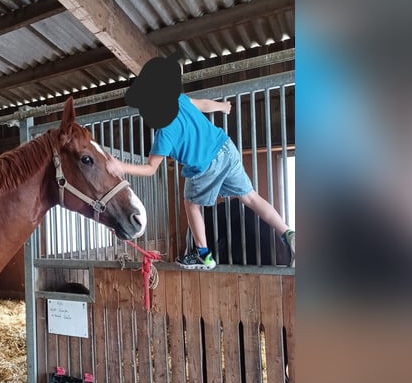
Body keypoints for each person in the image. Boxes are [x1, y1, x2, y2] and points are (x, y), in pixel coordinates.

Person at [106, 52, 295, 269]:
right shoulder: (179, 100)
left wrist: (121, 166)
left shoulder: (163, 134)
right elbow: (204, 104)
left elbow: (150, 169)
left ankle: (203, 255)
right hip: (226, 149)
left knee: (191, 205)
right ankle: (288, 233)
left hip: (205, 166)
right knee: (250, 197)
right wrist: (222, 107)